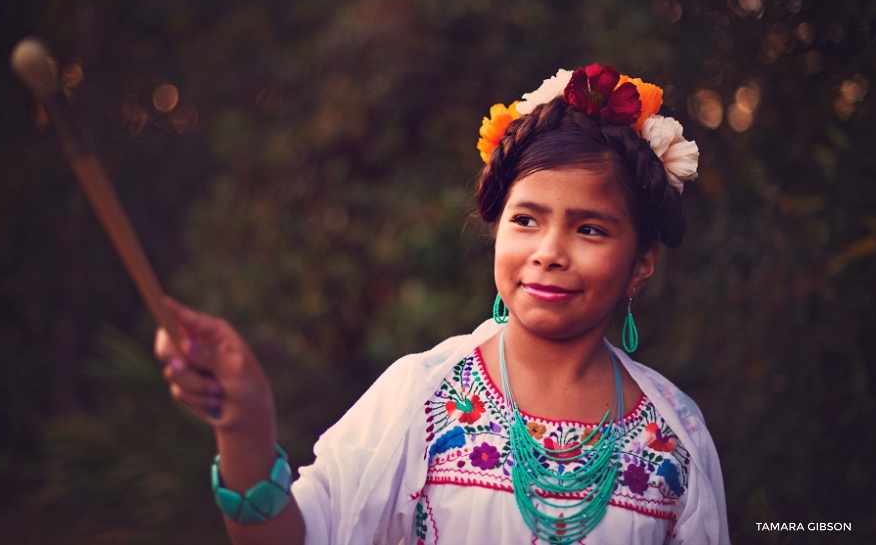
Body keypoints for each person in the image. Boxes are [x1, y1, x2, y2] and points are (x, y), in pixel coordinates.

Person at [155, 64, 729, 545]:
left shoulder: (676, 435)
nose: (549, 252)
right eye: (526, 219)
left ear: (643, 262)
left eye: (591, 230)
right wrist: (247, 423)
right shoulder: (423, 397)